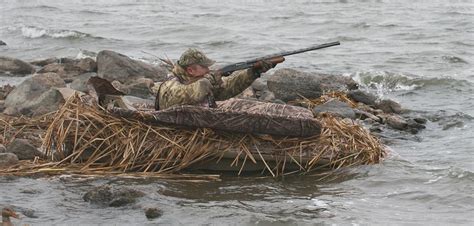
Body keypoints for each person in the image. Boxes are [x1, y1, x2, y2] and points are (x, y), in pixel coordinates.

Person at [155, 48, 282, 110]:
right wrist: (210, 80)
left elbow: (227, 88)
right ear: (190, 70)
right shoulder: (170, 85)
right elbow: (185, 95)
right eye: (204, 67)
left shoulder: (199, 79)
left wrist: (254, 71)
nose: (208, 70)